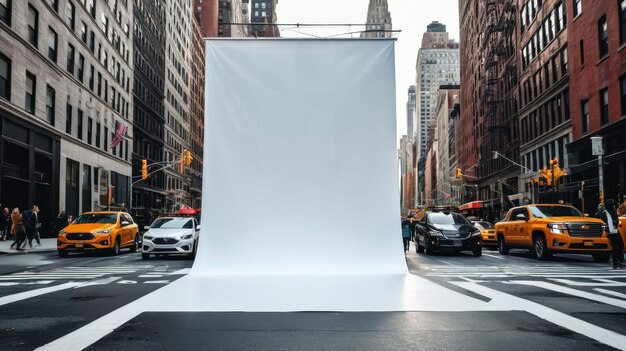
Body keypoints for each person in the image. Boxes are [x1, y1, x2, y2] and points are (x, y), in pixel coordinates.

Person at [598, 199, 625, 269]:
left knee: (620, 245)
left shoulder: (612, 211)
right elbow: (603, 222)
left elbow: (615, 220)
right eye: (612, 204)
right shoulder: (604, 212)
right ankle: (616, 263)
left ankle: (619, 261)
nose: (613, 206)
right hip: (610, 232)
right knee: (616, 247)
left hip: (615, 231)